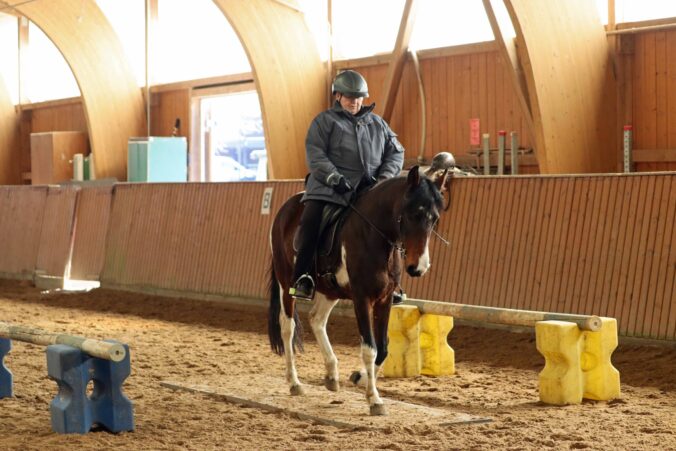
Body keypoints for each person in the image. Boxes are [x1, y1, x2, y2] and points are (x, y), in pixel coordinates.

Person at [289, 69, 405, 300]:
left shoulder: (378, 124)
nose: (355, 102)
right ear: (338, 96)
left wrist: (383, 180)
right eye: (349, 97)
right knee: (311, 222)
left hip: (368, 190)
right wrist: (334, 178)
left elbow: (396, 152)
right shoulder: (324, 122)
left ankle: (392, 283)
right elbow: (316, 155)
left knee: (394, 225)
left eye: (358, 97)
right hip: (329, 189)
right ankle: (302, 278)